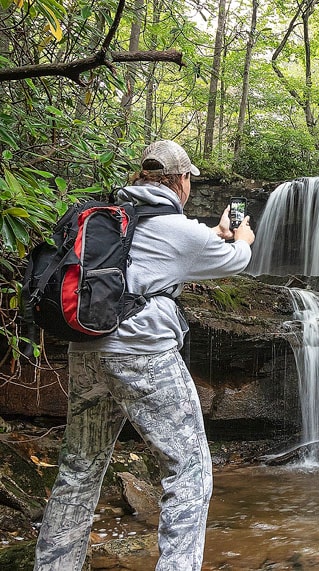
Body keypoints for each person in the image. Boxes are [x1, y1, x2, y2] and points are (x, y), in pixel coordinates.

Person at [34, 140, 255, 570]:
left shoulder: (114, 217)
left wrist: (211, 231)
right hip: (143, 357)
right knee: (188, 470)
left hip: (86, 352)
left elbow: (156, 251)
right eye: (188, 178)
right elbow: (235, 261)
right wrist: (241, 237)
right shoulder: (181, 230)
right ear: (180, 181)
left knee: (80, 468)